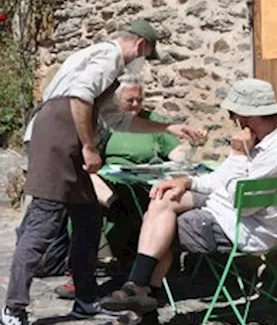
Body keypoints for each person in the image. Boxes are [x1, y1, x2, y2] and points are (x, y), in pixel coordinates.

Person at [0, 20, 206, 325]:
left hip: (70, 137)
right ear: (139, 46)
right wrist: (90, 146)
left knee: (88, 219)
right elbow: (80, 98)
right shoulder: (110, 57)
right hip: (57, 137)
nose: (145, 64)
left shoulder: (108, 67)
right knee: (43, 222)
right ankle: (14, 310)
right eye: (147, 56)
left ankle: (84, 299)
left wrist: (168, 128)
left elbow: (119, 120)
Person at [97, 78, 277, 325]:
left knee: (164, 228)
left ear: (247, 117)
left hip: (245, 228)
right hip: (226, 211)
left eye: (234, 115)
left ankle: (141, 305)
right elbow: (222, 181)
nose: (234, 121)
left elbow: (240, 203)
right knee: (163, 200)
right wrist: (186, 182)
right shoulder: (260, 139)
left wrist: (238, 156)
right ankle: (138, 291)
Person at [50, 75, 191, 298]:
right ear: (116, 101)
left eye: (139, 99)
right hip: (109, 185)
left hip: (142, 186)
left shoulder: (153, 122)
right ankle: (79, 275)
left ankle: (145, 277)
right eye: (129, 100)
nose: (135, 105)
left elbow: (177, 155)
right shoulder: (107, 124)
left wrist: (187, 148)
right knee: (84, 210)